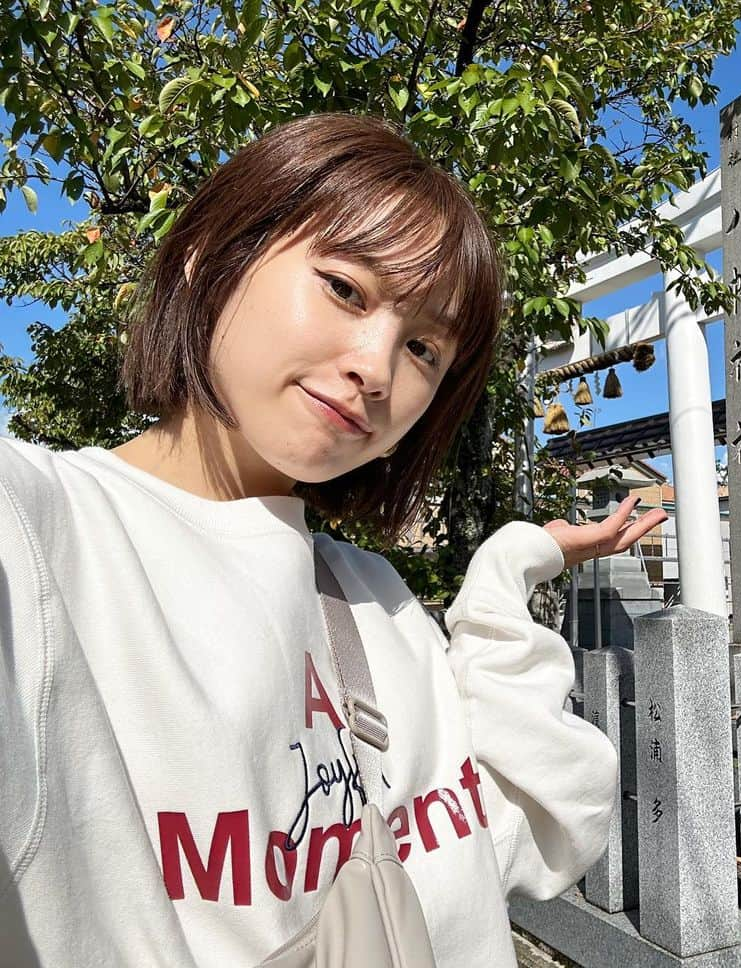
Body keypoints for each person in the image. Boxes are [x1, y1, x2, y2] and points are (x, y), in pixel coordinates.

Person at [0, 114, 666, 967]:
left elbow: (549, 822)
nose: (377, 368)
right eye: (347, 289)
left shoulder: (373, 598)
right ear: (212, 258)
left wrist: (516, 557)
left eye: (424, 347)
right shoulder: (43, 535)